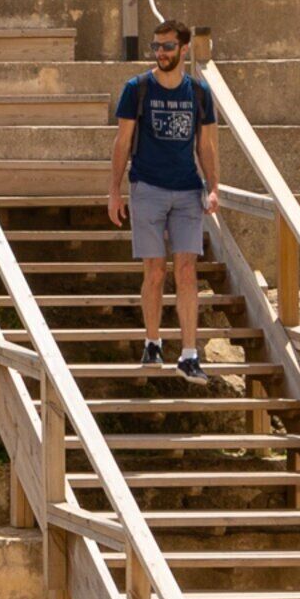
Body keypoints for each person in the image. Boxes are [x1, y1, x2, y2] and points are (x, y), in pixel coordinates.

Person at [106, 21, 222, 379]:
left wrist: (214, 186)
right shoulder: (137, 89)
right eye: (156, 46)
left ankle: (189, 354)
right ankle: (152, 341)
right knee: (155, 271)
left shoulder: (199, 94)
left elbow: (206, 145)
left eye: (168, 47)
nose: (161, 53)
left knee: (187, 271)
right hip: (147, 188)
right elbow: (122, 142)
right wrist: (114, 191)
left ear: (184, 49)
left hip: (188, 190)